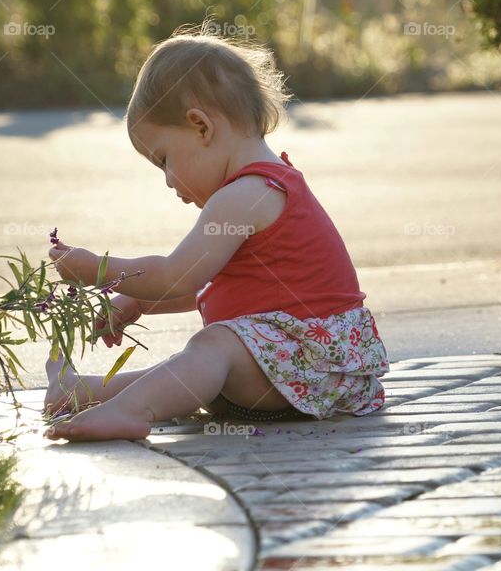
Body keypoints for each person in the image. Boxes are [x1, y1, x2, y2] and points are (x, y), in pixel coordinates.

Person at [42, 24, 388, 441]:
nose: (168, 180)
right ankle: (81, 392)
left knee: (212, 348)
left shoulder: (247, 195)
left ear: (201, 127)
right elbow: (211, 286)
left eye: (164, 160)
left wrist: (98, 270)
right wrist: (136, 299)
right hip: (304, 370)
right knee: (193, 363)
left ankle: (132, 411)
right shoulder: (261, 188)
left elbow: (178, 275)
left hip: (311, 367)